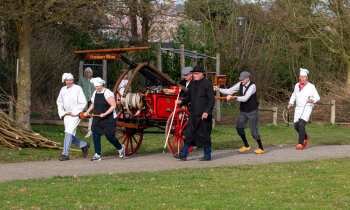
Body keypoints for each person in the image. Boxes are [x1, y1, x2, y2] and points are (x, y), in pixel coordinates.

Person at [214, 71, 264, 154]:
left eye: (243, 79)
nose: (242, 81)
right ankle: (246, 146)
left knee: (253, 132)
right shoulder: (240, 84)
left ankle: (261, 148)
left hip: (252, 111)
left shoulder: (252, 86)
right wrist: (218, 89)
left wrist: (233, 97)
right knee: (239, 128)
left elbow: (245, 98)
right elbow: (230, 91)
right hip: (243, 110)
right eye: (241, 79)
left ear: (247, 78)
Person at [174, 65, 215, 161]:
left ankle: (207, 155)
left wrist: (206, 112)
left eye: (196, 74)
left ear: (202, 74)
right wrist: (182, 101)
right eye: (193, 73)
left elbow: (211, 100)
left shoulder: (207, 84)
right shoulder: (192, 84)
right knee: (189, 134)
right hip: (193, 114)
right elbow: (189, 97)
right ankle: (183, 154)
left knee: (205, 135)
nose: (194, 75)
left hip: (204, 115)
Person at [84, 77, 125, 161]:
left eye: (98, 86)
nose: (96, 88)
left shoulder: (107, 93)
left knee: (109, 136)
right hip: (97, 117)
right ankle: (97, 154)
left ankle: (120, 147)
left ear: (102, 85)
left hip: (108, 118)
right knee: (95, 134)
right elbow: (93, 103)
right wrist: (87, 111)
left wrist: (105, 113)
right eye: (95, 87)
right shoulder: (95, 92)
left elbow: (113, 105)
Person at [57, 73, 90, 161]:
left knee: (68, 132)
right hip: (67, 115)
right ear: (65, 81)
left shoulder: (77, 88)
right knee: (70, 134)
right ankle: (84, 145)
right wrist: (62, 112)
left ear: (73, 80)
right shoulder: (63, 89)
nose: (69, 82)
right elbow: (59, 101)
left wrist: (75, 112)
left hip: (75, 115)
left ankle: (65, 154)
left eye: (70, 80)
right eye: (67, 80)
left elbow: (83, 102)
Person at [287, 68, 320, 150]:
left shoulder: (311, 86)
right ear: (299, 77)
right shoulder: (296, 85)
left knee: (302, 124)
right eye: (301, 76)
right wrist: (290, 103)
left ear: (307, 78)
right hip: (298, 108)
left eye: (304, 77)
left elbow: (317, 97)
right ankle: (305, 136)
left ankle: (300, 143)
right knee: (296, 126)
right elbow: (294, 95)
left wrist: (312, 100)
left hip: (307, 107)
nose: (302, 78)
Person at [78, 67, 95, 138]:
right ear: (85, 73)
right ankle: (83, 126)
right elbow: (78, 88)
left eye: (89, 72)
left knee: (91, 112)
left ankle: (90, 126)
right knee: (84, 111)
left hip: (91, 98)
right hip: (84, 98)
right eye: (86, 72)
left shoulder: (93, 80)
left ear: (91, 73)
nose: (88, 73)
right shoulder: (82, 79)